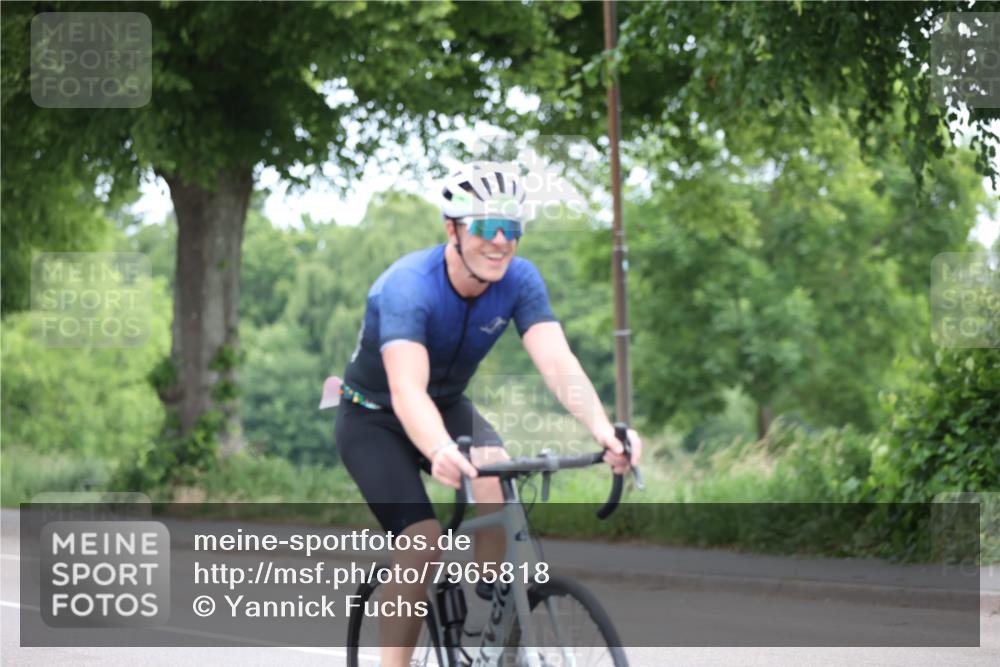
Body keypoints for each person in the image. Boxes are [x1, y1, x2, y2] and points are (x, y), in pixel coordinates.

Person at [333, 161, 642, 667]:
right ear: (452, 229)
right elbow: (407, 390)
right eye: (486, 226)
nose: (501, 241)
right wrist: (438, 448)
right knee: (422, 542)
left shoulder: (519, 280)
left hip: (448, 404)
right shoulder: (408, 286)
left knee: (496, 472)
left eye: (512, 228)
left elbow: (557, 362)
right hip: (374, 417)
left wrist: (605, 431)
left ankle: (489, 622)